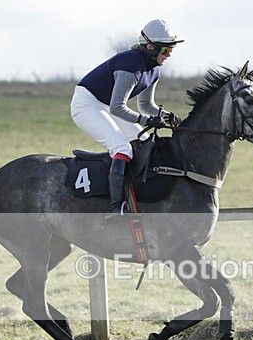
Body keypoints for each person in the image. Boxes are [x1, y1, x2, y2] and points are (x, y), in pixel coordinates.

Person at [70, 19, 184, 221]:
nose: (168, 56)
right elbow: (117, 107)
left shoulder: (154, 69)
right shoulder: (130, 65)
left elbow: (146, 105)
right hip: (86, 105)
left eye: (171, 51)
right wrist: (147, 121)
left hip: (106, 106)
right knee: (122, 148)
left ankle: (137, 194)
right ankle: (115, 209)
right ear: (150, 47)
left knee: (146, 142)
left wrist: (164, 116)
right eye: (165, 50)